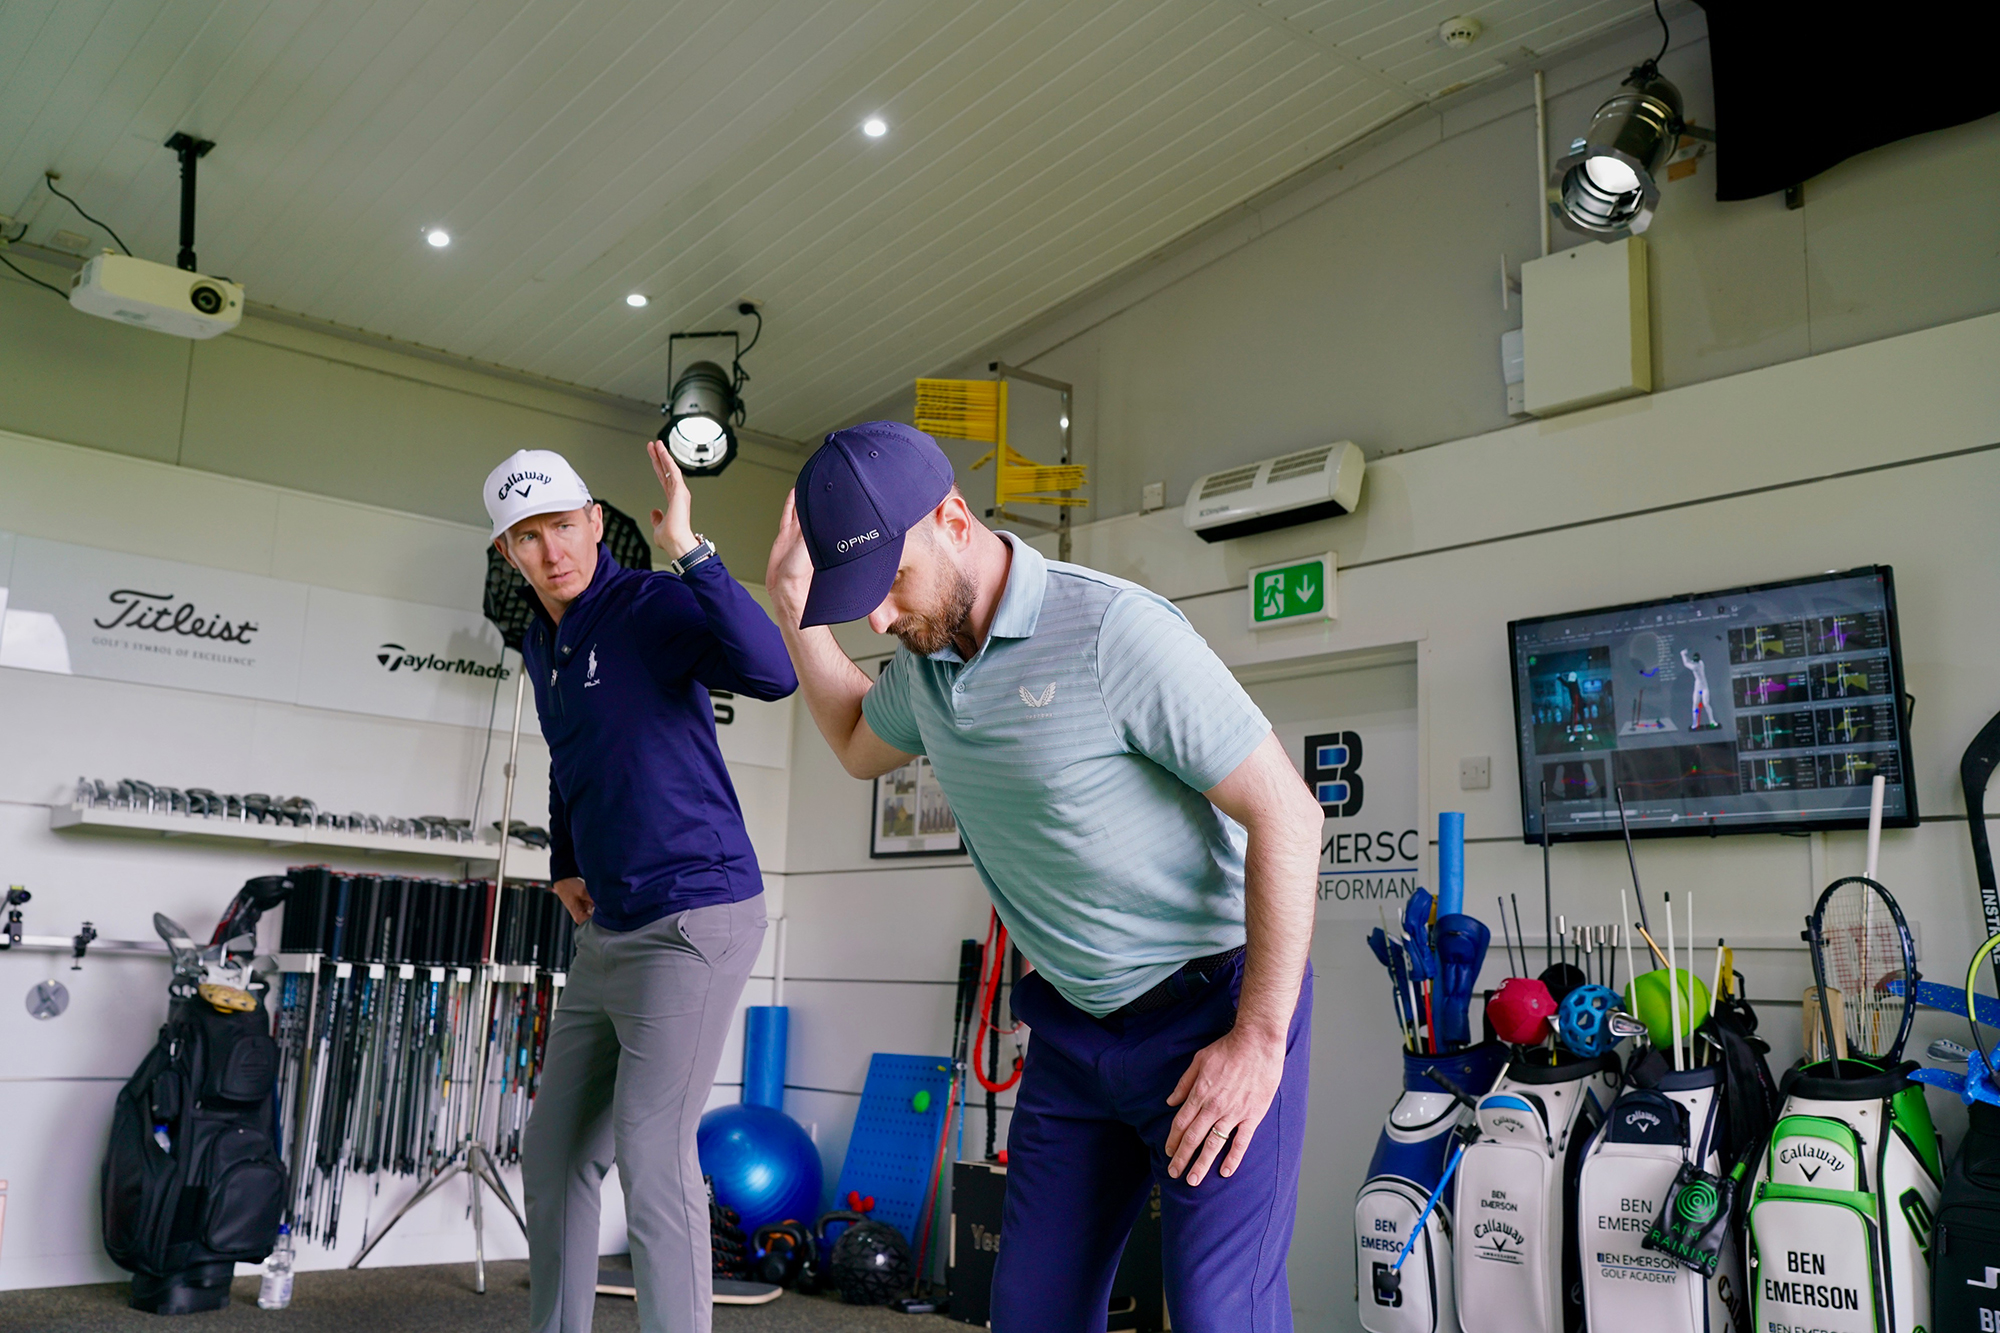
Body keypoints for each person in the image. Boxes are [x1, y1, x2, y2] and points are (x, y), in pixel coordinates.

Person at [764, 421, 1324, 1332]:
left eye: (889, 582)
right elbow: (858, 742)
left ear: (952, 518)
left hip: (1214, 1013)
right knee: (1032, 1312)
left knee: (1222, 1312)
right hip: (1073, 1030)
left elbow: (1290, 816)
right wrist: (792, 610)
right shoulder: (928, 667)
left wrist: (1260, 1039)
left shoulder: (1114, 630)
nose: (877, 619)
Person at [486, 442, 797, 1333]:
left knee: (652, 1155)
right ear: (509, 552)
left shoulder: (649, 603)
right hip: (610, 931)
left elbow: (772, 673)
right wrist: (563, 862)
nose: (554, 551)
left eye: (564, 526)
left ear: (595, 522)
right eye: (529, 538)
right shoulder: (543, 642)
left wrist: (692, 552)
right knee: (553, 1157)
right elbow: (570, 758)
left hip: (695, 915)